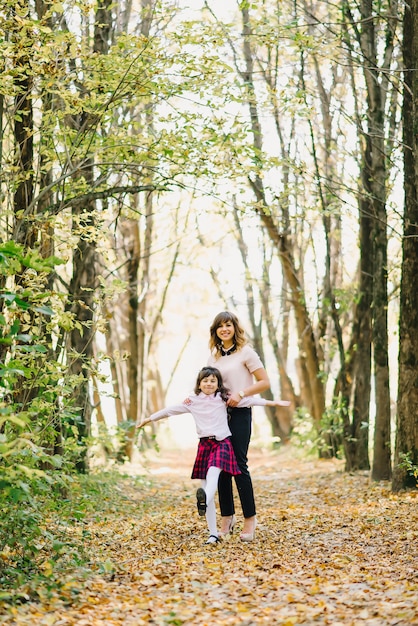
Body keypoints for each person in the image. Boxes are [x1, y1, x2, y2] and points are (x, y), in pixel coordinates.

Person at [138, 366, 289, 545]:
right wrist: (149, 418)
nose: (209, 384)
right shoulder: (192, 401)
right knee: (206, 484)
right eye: (205, 380)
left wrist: (273, 403)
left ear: (218, 384)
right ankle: (212, 533)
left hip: (222, 443)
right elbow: (171, 410)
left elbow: (249, 401)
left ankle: (205, 498)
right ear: (199, 383)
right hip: (204, 445)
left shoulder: (222, 398)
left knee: (213, 476)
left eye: (213, 381)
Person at [208, 311, 287, 542]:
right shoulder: (213, 358)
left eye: (228, 325)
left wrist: (241, 393)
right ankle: (227, 518)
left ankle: (250, 519)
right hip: (218, 415)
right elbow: (209, 384)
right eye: (220, 326)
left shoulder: (247, 352)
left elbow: (264, 382)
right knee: (220, 467)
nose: (225, 329)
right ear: (215, 331)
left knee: (239, 466)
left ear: (235, 328)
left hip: (241, 414)